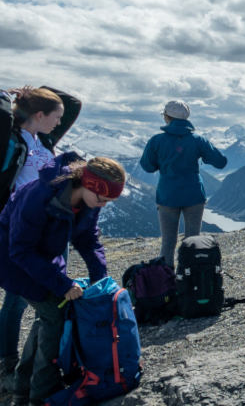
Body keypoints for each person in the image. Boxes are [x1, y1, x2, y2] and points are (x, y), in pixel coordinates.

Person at [0, 153, 124, 405]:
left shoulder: (90, 202)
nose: (104, 205)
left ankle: (24, 387)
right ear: (88, 184)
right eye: (103, 199)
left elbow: (88, 240)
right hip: (12, 260)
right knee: (55, 315)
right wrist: (62, 284)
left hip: (42, 258)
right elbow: (20, 250)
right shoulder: (40, 196)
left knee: (50, 315)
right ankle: (41, 393)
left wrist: (101, 281)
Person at [0, 86, 81, 392]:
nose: (60, 123)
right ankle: (7, 363)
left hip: (46, 227)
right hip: (16, 228)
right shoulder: (11, 141)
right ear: (38, 115)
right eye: (54, 117)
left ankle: (28, 366)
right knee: (17, 299)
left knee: (35, 296)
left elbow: (72, 104)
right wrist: (7, 98)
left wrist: (31, 91)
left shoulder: (44, 140)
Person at [140, 101, 227, 267]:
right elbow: (221, 162)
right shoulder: (198, 140)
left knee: (168, 241)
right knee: (193, 239)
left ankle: (166, 280)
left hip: (167, 196)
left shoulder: (156, 141)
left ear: (167, 117)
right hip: (194, 195)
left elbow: (147, 166)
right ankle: (191, 276)